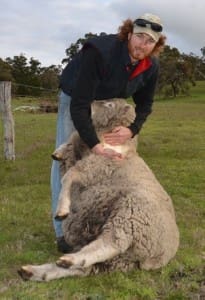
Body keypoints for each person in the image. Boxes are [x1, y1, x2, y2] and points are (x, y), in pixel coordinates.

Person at [51, 13, 166, 253]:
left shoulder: (150, 65)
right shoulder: (100, 52)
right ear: (129, 34)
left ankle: (93, 222)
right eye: (139, 37)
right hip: (77, 97)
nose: (142, 45)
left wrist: (131, 130)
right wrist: (93, 143)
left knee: (108, 162)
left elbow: (145, 105)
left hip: (109, 103)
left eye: (150, 41)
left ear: (156, 45)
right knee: (70, 157)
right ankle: (62, 232)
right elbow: (80, 105)